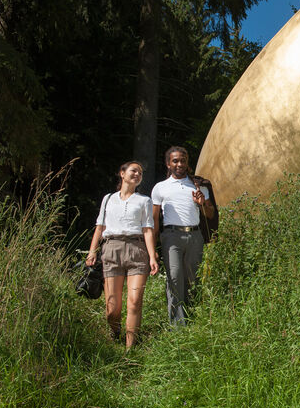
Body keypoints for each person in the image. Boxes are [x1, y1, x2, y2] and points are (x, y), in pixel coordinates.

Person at [86, 161, 159, 348]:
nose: (137, 174)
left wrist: (152, 256)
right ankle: (115, 333)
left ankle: (130, 348)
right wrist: (92, 251)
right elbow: (100, 227)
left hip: (137, 250)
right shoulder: (108, 199)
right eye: (134, 171)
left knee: (134, 302)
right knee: (112, 308)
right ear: (122, 173)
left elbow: (148, 230)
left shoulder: (144, 200)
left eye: (140, 173)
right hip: (111, 249)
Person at [152, 146, 215, 325]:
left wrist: (203, 202)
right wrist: (153, 248)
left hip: (195, 236)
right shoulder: (160, 188)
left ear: (187, 163)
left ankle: (193, 318)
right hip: (171, 236)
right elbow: (154, 218)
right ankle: (178, 326)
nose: (180, 164)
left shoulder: (198, 185)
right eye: (175, 161)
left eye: (183, 161)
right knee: (174, 277)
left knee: (192, 278)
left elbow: (210, 214)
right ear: (168, 163)